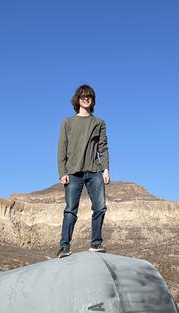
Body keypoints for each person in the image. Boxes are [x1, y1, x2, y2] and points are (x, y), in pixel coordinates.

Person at [56, 83, 110, 258]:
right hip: (73, 172)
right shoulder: (68, 122)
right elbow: (62, 148)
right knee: (70, 210)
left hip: (94, 171)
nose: (86, 98)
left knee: (100, 207)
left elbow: (103, 147)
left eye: (89, 96)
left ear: (93, 100)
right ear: (77, 99)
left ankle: (96, 243)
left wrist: (106, 169)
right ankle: (64, 246)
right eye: (83, 96)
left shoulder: (99, 123)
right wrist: (62, 172)